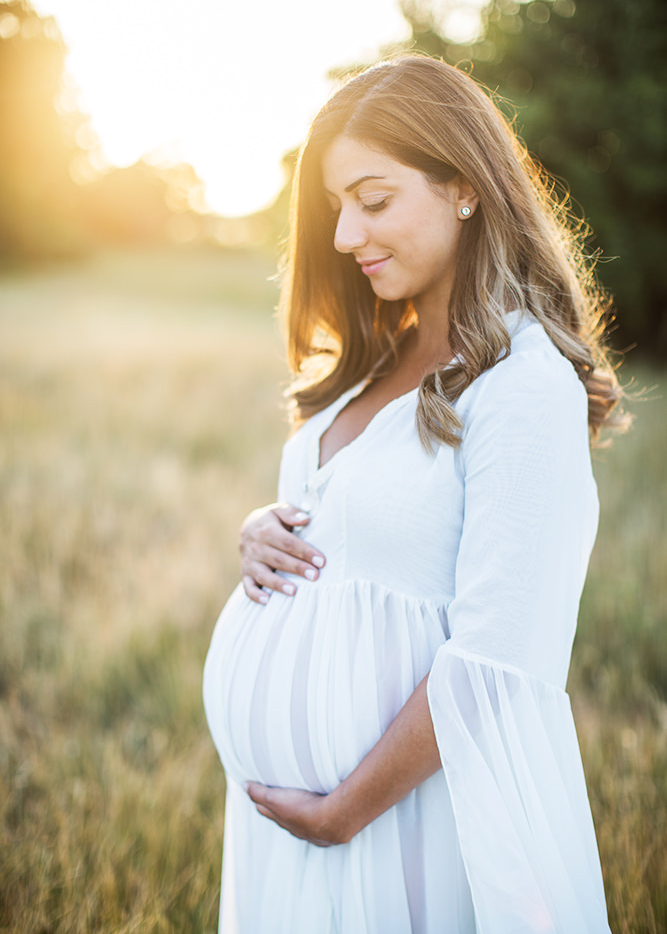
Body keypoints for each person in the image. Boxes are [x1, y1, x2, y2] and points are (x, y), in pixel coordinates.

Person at [203, 54, 625, 933]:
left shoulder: (522, 384)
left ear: (464, 186)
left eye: (374, 199)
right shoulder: (374, 360)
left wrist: (346, 809)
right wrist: (260, 531)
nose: (346, 234)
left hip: (415, 826)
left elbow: (501, 656)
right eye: (335, 210)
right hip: (305, 837)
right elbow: (357, 529)